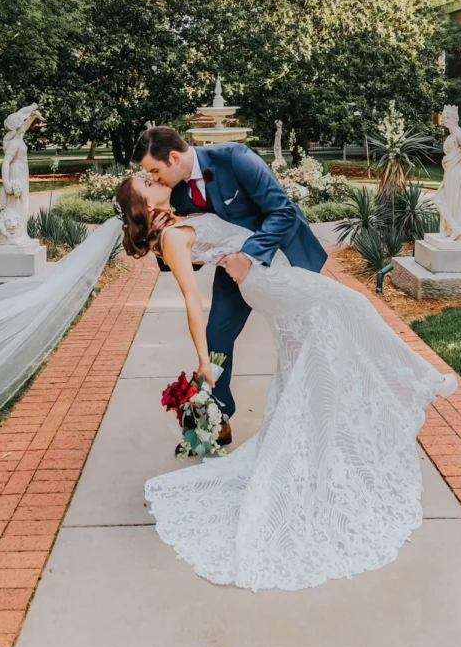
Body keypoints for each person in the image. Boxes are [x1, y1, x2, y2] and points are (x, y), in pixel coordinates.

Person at [115, 171, 455, 591]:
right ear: (144, 206)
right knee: (351, 303)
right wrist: (203, 359)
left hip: (264, 272)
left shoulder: (179, 220)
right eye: (145, 183)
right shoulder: (171, 240)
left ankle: (323, 436)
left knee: (308, 360)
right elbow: (190, 299)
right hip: (266, 282)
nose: (153, 178)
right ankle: (420, 379)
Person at [132, 126, 326, 444]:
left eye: (154, 170)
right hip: (232, 269)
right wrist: (159, 238)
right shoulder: (178, 192)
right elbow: (199, 243)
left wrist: (248, 256)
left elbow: (283, 211)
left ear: (173, 157)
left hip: (282, 260)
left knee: (302, 338)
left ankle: (314, 412)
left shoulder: (236, 158)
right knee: (217, 336)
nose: (155, 178)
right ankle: (217, 416)